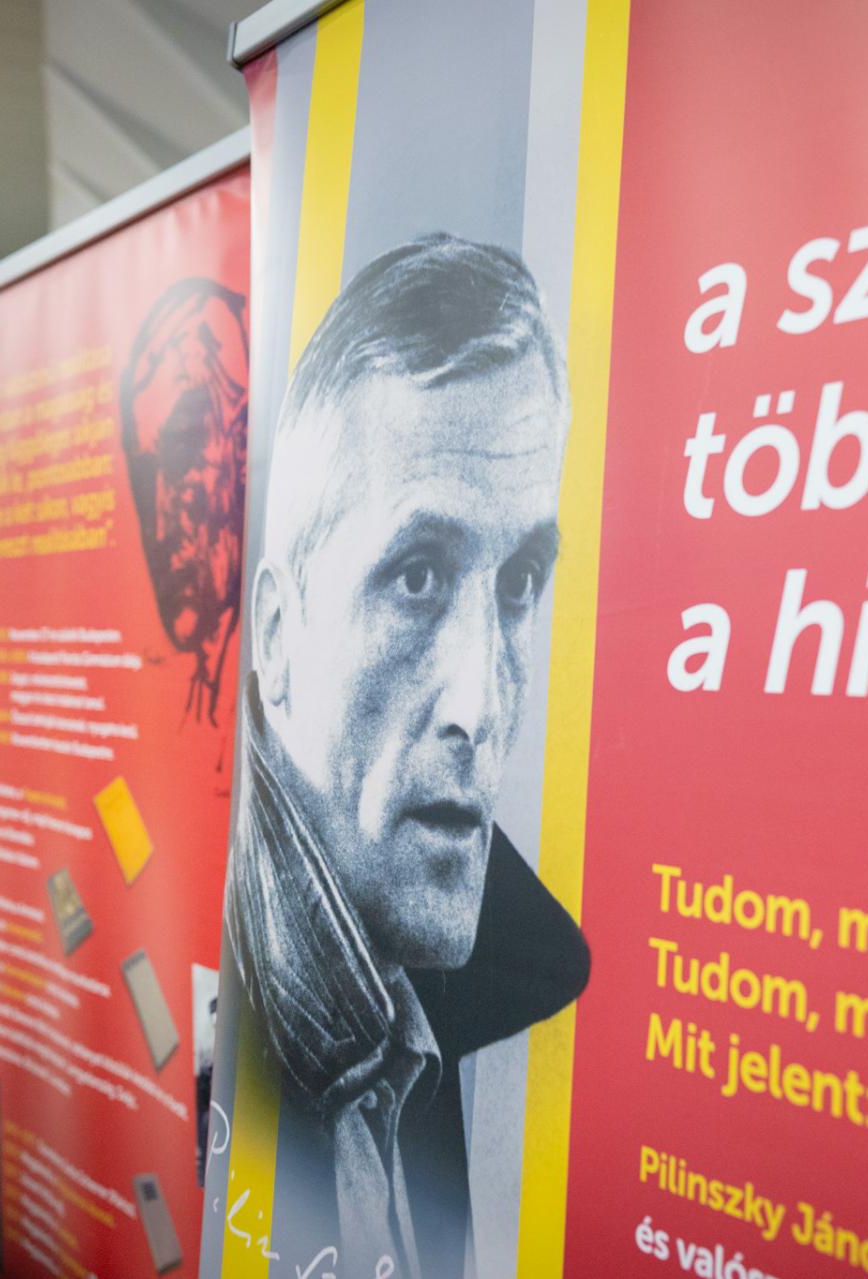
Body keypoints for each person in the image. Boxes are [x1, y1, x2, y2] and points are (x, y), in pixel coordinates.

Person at [225, 233, 589, 1279]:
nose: (480, 703)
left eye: (517, 584)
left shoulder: (409, 975)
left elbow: (550, 961)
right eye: (418, 577)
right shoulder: (256, 1001)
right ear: (279, 635)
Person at [118, 278, 250, 727]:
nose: (160, 528)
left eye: (179, 462)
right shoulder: (191, 692)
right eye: (143, 472)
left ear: (242, 451)